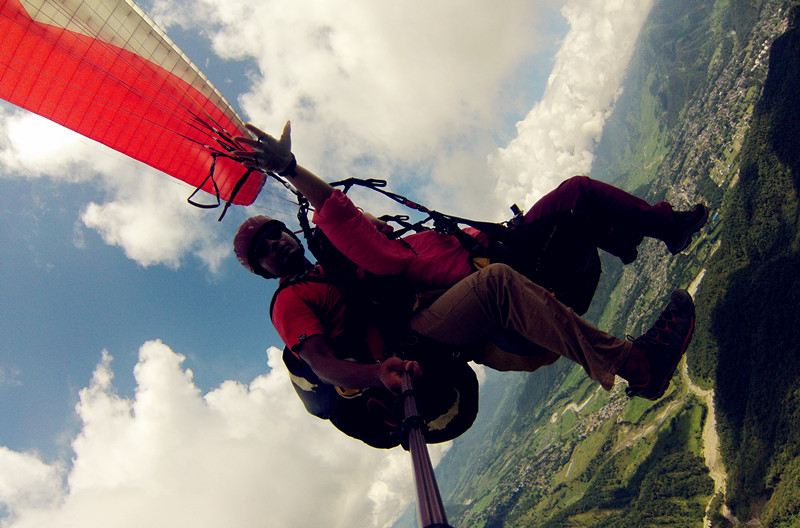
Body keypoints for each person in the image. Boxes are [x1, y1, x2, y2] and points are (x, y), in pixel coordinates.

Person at [232, 122, 701, 395]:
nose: (275, 245)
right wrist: (289, 170)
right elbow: (322, 363)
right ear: (261, 271)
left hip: (480, 267)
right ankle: (637, 365)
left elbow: (353, 224)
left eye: (275, 235)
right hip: (433, 327)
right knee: (496, 281)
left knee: (573, 193)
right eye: (264, 251)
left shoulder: (342, 260)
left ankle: (666, 228)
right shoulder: (310, 287)